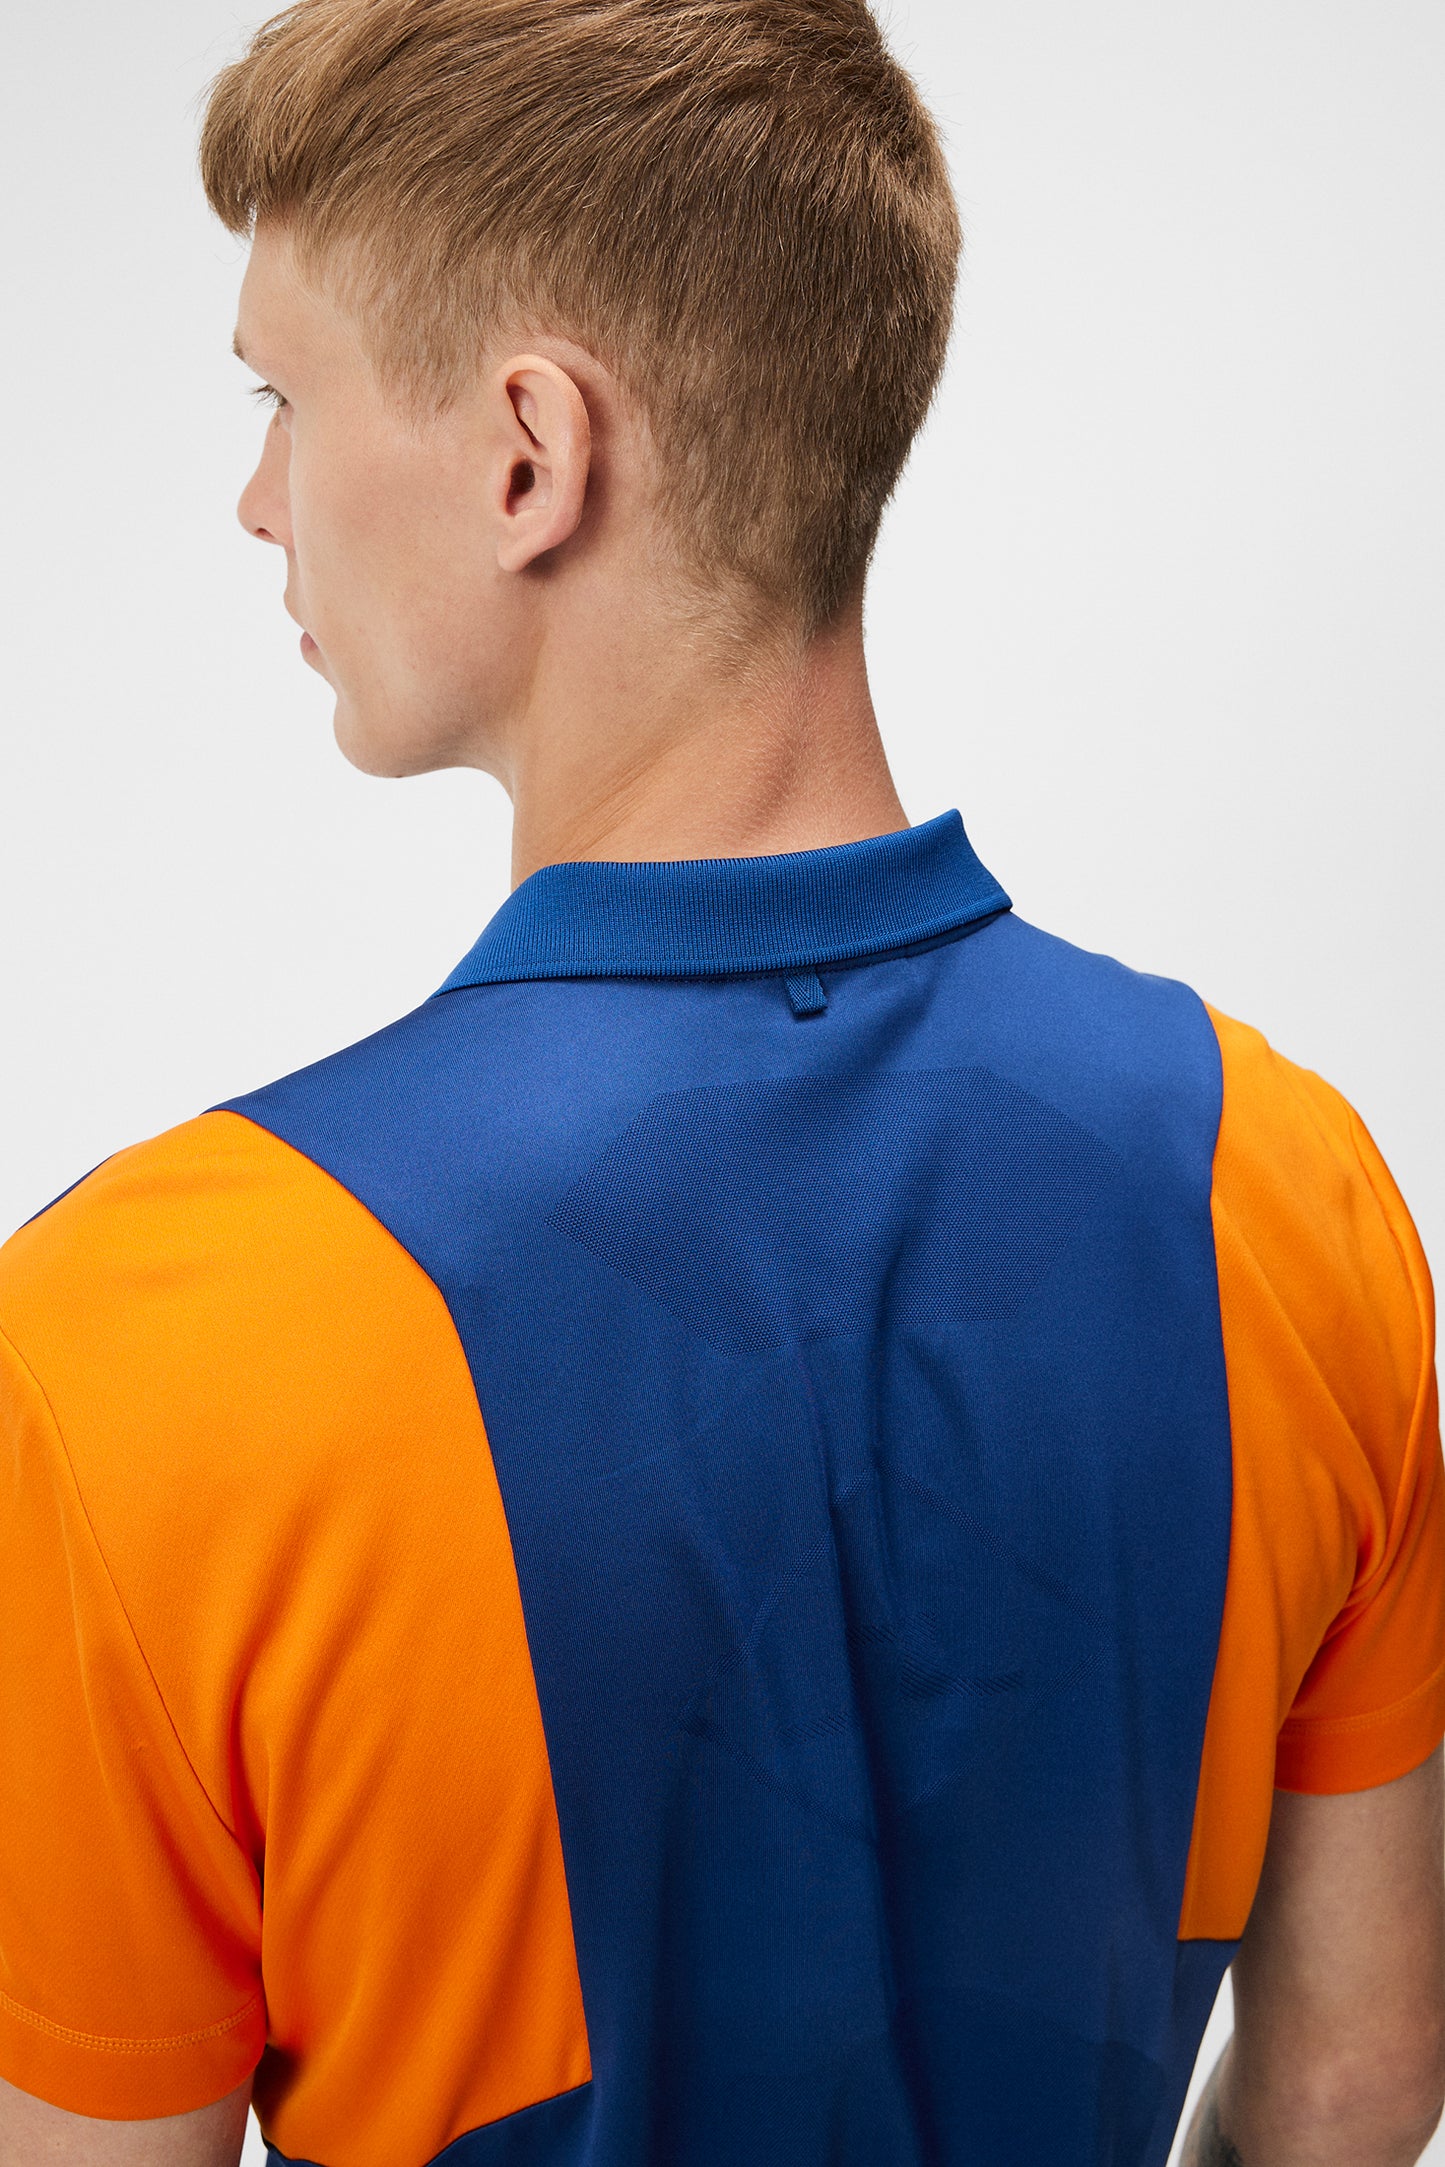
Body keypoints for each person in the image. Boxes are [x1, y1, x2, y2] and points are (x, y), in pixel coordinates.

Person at [1, 2, 1442, 2163]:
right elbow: (1356, 2078)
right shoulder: (1282, 1184)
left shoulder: (147, 1337)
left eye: (281, 399)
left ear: (528, 454)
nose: (257, 500)